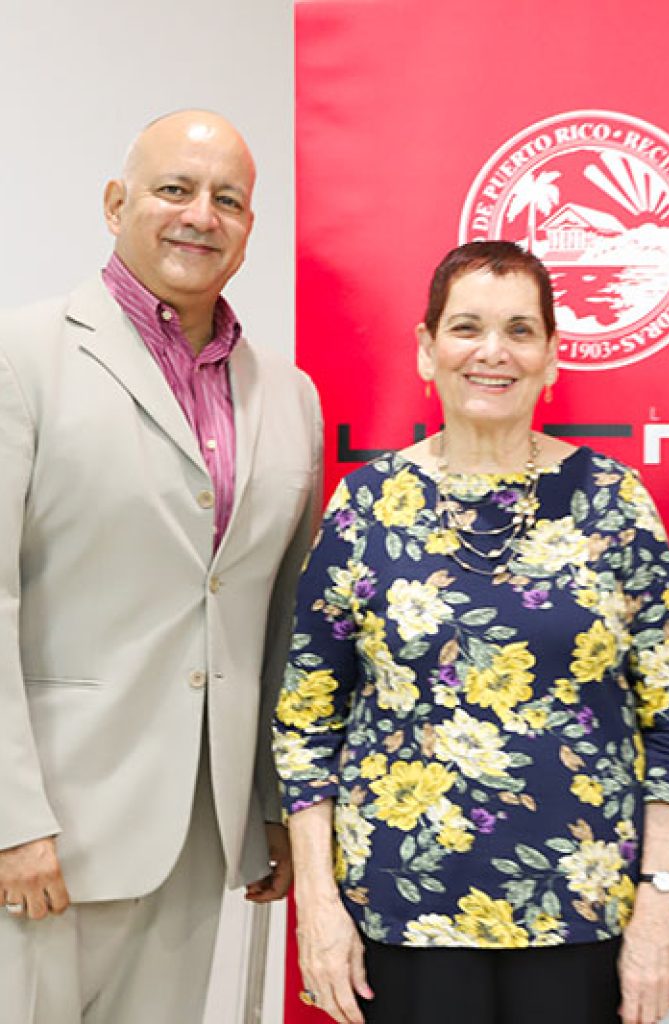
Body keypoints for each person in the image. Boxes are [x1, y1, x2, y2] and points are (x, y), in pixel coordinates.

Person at [274, 240, 669, 1024]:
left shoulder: (614, 502)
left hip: (583, 913)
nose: (493, 352)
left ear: (550, 358)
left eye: (520, 330)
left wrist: (658, 904)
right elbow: (307, 725)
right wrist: (319, 903)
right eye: (467, 327)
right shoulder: (367, 504)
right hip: (399, 913)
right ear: (426, 348)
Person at [0, 110, 323, 1023]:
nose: (201, 216)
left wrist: (268, 802)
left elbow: (279, 620)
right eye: (175, 190)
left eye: (229, 199)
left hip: (198, 827)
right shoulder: (21, 357)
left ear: (250, 228)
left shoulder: (288, 395)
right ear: (116, 203)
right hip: (49, 829)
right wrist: (11, 818)